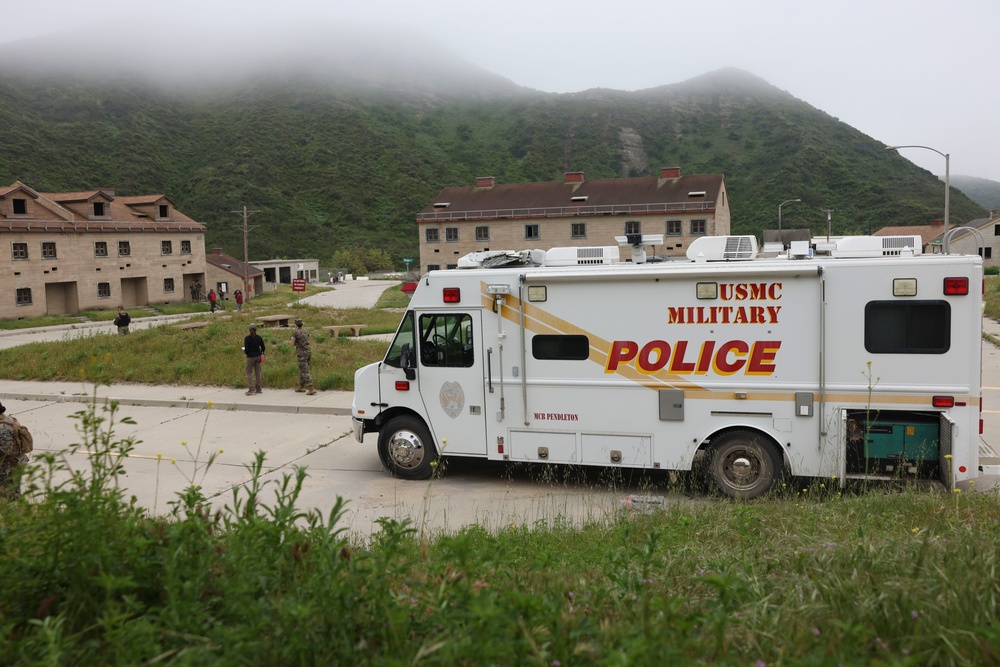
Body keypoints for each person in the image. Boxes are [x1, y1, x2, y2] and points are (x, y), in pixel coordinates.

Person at [0, 401, 30, 499]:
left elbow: (6, 450)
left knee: (8, 494)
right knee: (13, 491)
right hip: (17, 461)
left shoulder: (2, 427)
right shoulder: (10, 419)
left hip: (9, 466)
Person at [289, 318, 316, 395]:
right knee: (302, 369)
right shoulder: (305, 331)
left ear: (296, 324)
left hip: (301, 354)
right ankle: (301, 386)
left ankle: (311, 388)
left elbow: (292, 344)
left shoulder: (295, 333)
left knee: (304, 371)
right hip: (308, 352)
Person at [243, 323, 265, 395]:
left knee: (248, 372)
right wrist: (261, 352)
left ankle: (252, 388)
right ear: (256, 329)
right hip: (258, 356)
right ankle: (258, 388)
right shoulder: (259, 337)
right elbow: (263, 347)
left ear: (249, 330)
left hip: (250, 357)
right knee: (258, 372)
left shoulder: (247, 338)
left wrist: (246, 351)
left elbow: (246, 350)